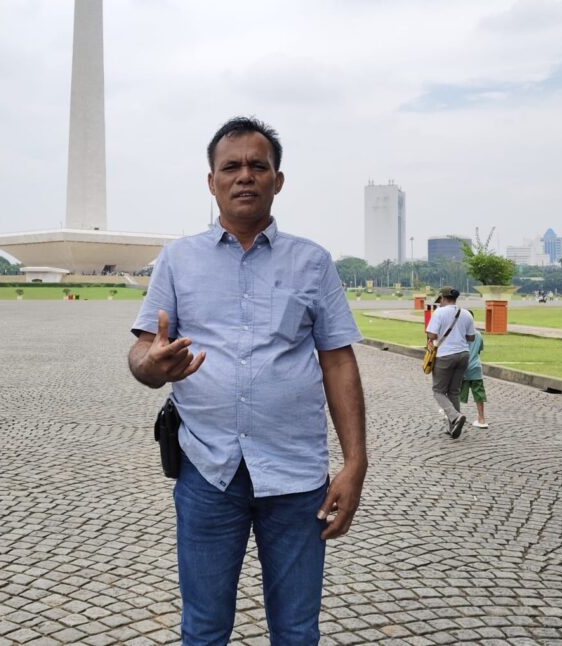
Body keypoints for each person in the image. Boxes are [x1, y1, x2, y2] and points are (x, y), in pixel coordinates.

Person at [127, 116, 367, 645]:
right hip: (208, 472)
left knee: (297, 630)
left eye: (258, 166)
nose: (244, 176)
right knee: (205, 628)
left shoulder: (312, 262)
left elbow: (338, 362)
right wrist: (152, 365)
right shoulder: (177, 260)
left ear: (277, 180)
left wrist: (355, 463)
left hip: (296, 475)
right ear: (211, 181)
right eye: (230, 166)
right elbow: (143, 350)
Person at [426, 287, 476, 438]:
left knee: (438, 391)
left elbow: (432, 334)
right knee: (454, 391)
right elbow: (471, 337)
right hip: (463, 354)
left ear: (442, 298)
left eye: (440, 300)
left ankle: (455, 416)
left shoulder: (439, 313)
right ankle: (453, 426)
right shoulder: (466, 313)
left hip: (445, 355)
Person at [460, 310, 488, 428]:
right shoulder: (478, 334)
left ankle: (453, 414)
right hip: (476, 367)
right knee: (478, 393)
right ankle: (482, 419)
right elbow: (479, 350)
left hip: (462, 368)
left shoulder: (460, 335)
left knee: (455, 391)